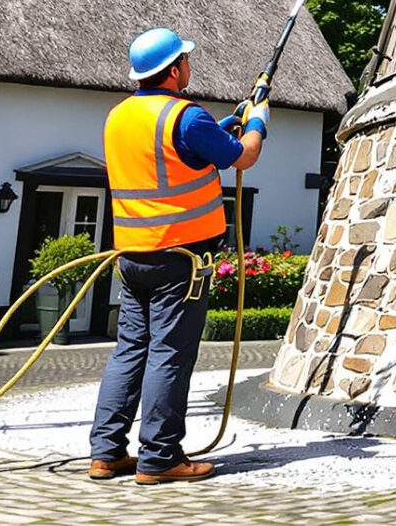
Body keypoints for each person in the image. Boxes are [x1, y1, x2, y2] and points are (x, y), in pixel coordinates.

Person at [89, 27, 268, 485]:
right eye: (185, 60)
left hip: (133, 256)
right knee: (169, 354)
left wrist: (220, 130)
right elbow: (243, 158)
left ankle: (106, 454)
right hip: (181, 261)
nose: (190, 65)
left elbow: (170, 157)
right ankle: (161, 458)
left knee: (129, 351)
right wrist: (257, 123)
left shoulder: (119, 116)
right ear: (173, 70)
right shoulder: (186, 116)